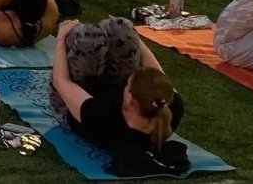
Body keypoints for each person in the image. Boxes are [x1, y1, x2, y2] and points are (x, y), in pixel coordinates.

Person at [50, 17, 184, 154]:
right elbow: (155, 73)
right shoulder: (173, 106)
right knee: (122, 29)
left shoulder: (101, 116)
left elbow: (61, 82)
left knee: (88, 40)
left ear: (130, 98)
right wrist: (132, 36)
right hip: (111, 90)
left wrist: (60, 39)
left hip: (75, 101)